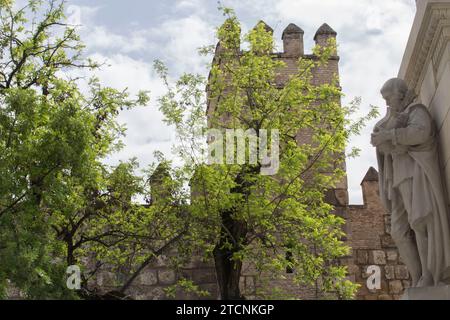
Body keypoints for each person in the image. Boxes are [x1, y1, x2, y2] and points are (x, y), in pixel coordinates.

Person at [371, 78, 450, 287]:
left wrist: (389, 135)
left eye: (389, 97)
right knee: (400, 231)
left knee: (420, 222)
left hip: (415, 174)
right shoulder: (397, 117)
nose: (388, 103)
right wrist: (382, 140)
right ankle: (418, 278)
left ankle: (428, 276)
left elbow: (420, 132)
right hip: (399, 178)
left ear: (401, 93)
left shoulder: (417, 111)